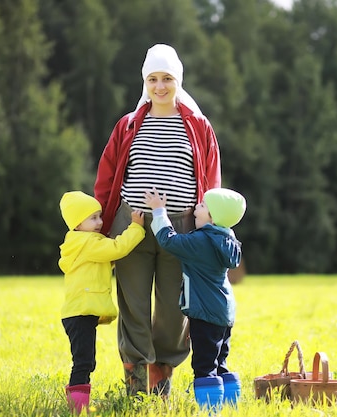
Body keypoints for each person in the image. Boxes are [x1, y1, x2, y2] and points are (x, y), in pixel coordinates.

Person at [94, 43, 222, 396]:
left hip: (180, 230)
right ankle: (135, 390)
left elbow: (210, 180)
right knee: (132, 305)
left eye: (167, 78)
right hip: (131, 228)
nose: (160, 86)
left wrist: (208, 228)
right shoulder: (128, 125)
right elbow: (107, 177)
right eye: (153, 79)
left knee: (173, 310)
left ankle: (160, 384)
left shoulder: (197, 125)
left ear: (178, 80)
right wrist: (102, 225)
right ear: (145, 83)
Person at [144, 187, 246, 409]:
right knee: (220, 361)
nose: (196, 207)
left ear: (212, 218)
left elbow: (169, 240)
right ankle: (231, 404)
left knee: (204, 365)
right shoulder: (226, 238)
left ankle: (210, 410)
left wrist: (159, 211)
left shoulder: (201, 241)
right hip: (224, 312)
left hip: (205, 313)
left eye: (202, 206)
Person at [58, 191, 145, 413]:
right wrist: (136, 227)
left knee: (85, 360)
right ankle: (77, 408)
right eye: (93, 218)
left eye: (99, 216)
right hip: (81, 313)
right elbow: (117, 248)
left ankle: (77, 404)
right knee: (84, 362)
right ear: (77, 224)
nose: (100, 222)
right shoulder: (88, 243)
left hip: (78, 313)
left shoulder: (79, 243)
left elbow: (102, 263)